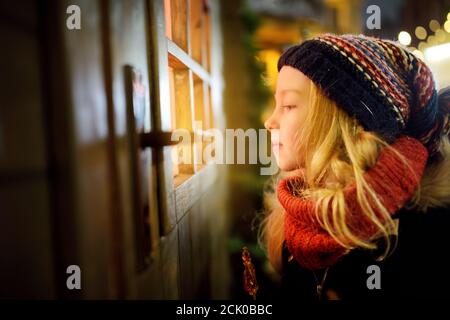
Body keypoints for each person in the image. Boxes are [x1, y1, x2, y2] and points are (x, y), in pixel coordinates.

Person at [260, 33, 450, 300]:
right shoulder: (297, 214)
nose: (270, 121)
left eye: (289, 105)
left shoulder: (422, 238)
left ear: (345, 122)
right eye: (276, 104)